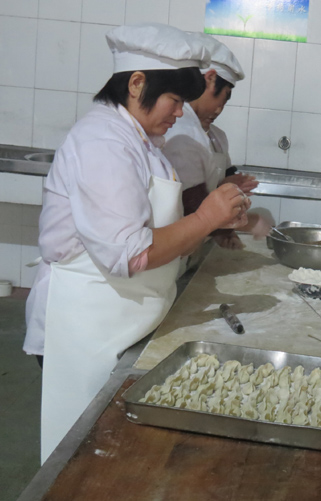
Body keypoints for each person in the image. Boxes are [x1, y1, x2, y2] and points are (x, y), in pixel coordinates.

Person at [23, 23, 251, 462]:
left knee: (111, 451)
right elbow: (131, 253)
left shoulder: (140, 139)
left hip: (121, 318)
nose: (180, 112)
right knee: (82, 458)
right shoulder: (102, 142)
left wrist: (216, 220)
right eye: (174, 100)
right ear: (136, 83)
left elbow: (161, 230)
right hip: (83, 326)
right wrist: (206, 218)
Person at [163, 33, 271, 251]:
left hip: (188, 244)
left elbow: (221, 183)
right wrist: (250, 222)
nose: (220, 108)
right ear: (210, 79)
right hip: (172, 245)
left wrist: (229, 190)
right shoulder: (182, 131)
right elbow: (193, 209)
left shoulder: (209, 134)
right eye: (224, 96)